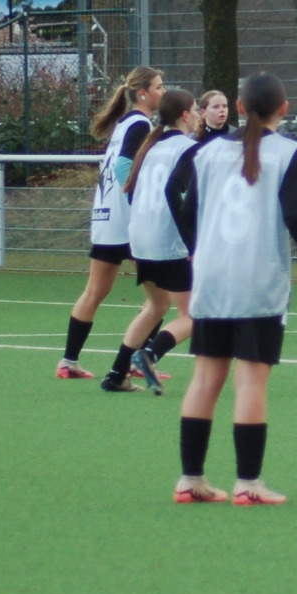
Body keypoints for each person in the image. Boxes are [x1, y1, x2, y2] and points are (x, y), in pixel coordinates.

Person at [171, 71, 297, 506]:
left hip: (211, 279)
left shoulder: (206, 152)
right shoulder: (287, 152)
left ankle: (190, 479)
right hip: (258, 282)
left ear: (240, 108)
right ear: (284, 108)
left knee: (205, 378)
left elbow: (184, 209)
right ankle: (248, 483)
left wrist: (199, 250)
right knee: (250, 382)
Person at [58, 67, 164, 379]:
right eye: (159, 86)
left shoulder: (123, 123)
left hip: (106, 218)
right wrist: (138, 200)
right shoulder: (141, 123)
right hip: (128, 222)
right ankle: (135, 361)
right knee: (160, 298)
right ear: (143, 93)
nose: (163, 91)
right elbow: (122, 166)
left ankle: (68, 362)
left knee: (94, 292)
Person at [99, 88, 200, 395]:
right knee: (193, 315)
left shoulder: (151, 146)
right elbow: (175, 194)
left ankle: (116, 375)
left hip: (140, 238)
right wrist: (193, 244)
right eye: (196, 110)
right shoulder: (188, 148)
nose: (198, 115)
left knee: (157, 306)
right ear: (185, 115)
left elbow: (133, 191)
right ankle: (150, 354)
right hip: (167, 241)